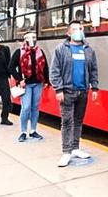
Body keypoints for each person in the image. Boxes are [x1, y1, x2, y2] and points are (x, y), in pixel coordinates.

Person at [50, 20, 98, 167]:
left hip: (83, 91)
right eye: (75, 29)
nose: (79, 31)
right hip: (67, 92)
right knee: (67, 122)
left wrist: (94, 88)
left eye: (81, 28)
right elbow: (54, 71)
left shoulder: (88, 49)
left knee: (78, 121)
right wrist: (58, 89)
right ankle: (66, 151)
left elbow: (93, 70)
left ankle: (75, 148)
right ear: (68, 33)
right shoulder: (61, 49)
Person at [9, 31, 50, 142]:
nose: (33, 39)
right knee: (26, 107)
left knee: (35, 107)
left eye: (34, 37)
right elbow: (11, 67)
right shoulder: (19, 52)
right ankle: (23, 131)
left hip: (38, 83)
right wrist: (19, 79)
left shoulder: (40, 52)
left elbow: (45, 67)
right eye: (30, 37)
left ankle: (33, 130)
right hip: (25, 84)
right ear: (25, 39)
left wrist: (46, 81)